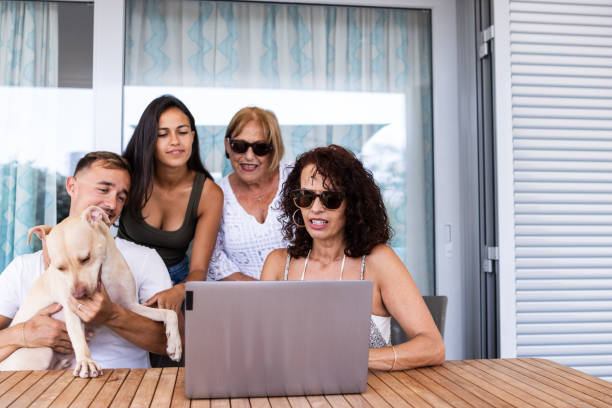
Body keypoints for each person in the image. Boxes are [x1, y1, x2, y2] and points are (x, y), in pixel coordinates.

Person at [261, 145, 445, 370]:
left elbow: (433, 347)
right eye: (306, 197)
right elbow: (262, 349)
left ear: (352, 205)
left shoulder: (379, 262)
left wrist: (355, 359)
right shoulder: (278, 265)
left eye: (330, 198)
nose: (316, 208)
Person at [0, 151, 172, 369]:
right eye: (103, 189)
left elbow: (171, 343)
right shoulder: (22, 268)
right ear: (71, 186)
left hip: (122, 391)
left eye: (121, 196)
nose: (111, 203)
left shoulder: (145, 259)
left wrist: (112, 315)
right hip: (39, 394)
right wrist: (23, 334)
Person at [119, 95, 223, 312]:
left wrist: (181, 290)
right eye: (162, 134)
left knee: (181, 339)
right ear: (149, 140)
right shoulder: (128, 176)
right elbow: (91, 215)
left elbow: (198, 270)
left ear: (193, 136)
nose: (175, 141)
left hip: (175, 281)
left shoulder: (208, 193)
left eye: (182, 132)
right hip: (122, 276)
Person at [206, 107, 290, 281]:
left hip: (300, 292)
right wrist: (258, 293)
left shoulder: (296, 179)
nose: (249, 156)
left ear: (274, 149)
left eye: (260, 148)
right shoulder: (216, 193)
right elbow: (214, 261)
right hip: (241, 298)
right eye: (240, 146)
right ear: (227, 146)